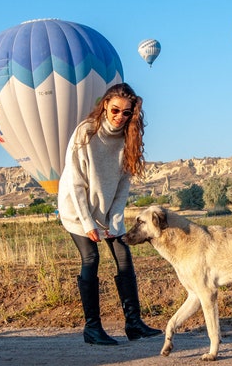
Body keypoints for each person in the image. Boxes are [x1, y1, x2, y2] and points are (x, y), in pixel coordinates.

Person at [57, 82, 162, 345]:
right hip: (76, 208)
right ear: (105, 105)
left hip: (106, 211)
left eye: (127, 113)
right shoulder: (87, 132)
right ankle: (92, 328)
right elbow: (76, 182)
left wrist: (115, 218)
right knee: (91, 259)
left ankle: (134, 324)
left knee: (124, 257)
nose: (119, 117)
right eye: (115, 110)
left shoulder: (129, 135)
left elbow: (123, 184)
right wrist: (87, 222)